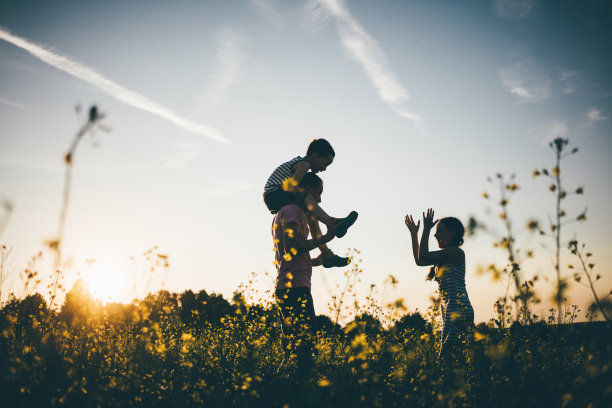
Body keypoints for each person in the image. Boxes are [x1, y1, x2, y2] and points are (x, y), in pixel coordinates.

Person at [272, 173, 342, 376]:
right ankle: (301, 389)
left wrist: (317, 261)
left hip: (289, 285)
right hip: (295, 289)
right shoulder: (293, 211)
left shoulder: (285, 212)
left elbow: (291, 256)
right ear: (306, 189)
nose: (319, 200)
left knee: (292, 348)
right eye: (318, 193)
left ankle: (283, 386)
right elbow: (293, 247)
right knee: (306, 348)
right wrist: (326, 238)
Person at [263, 138, 357, 268]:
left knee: (312, 219)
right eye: (325, 164)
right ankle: (332, 222)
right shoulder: (304, 164)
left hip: (275, 196)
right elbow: (292, 185)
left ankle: (327, 254)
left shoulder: (300, 163)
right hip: (274, 194)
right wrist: (306, 199)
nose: (324, 169)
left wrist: (309, 210)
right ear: (315, 156)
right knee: (308, 200)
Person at [405, 209, 474, 365]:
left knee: (447, 360)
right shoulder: (444, 255)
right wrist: (414, 234)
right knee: (454, 360)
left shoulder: (456, 252)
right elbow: (419, 260)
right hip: (452, 309)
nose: (435, 235)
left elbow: (423, 255)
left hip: (458, 309)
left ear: (452, 233)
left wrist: (427, 229)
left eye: (439, 231)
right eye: (435, 232)